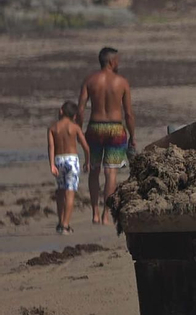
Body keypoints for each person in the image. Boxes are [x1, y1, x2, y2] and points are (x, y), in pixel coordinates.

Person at [78, 46, 135, 226]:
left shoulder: (90, 80)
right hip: (115, 130)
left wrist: (79, 132)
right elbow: (128, 114)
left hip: (95, 128)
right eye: (117, 60)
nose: (118, 63)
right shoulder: (122, 82)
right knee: (111, 173)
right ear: (111, 62)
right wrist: (132, 136)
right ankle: (106, 215)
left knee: (94, 170)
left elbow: (80, 111)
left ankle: (94, 213)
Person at [47, 101, 90, 234]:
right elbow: (85, 147)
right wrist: (87, 161)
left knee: (60, 191)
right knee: (70, 192)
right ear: (75, 116)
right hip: (71, 160)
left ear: (61, 111)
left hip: (59, 160)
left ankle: (60, 222)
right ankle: (65, 225)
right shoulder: (75, 127)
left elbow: (51, 147)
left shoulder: (53, 128)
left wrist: (52, 165)